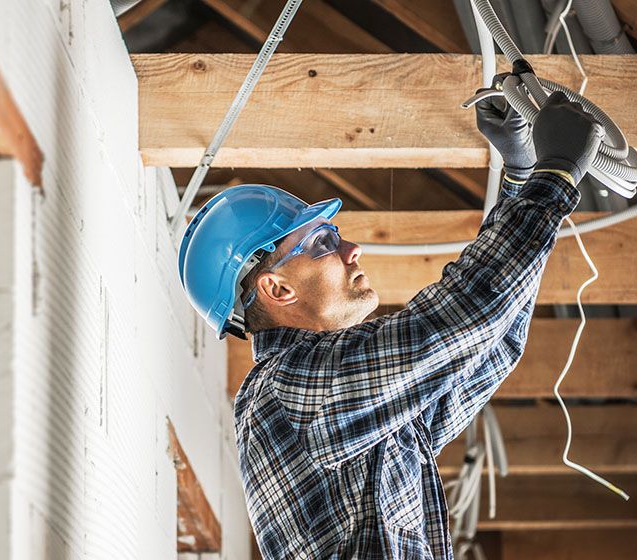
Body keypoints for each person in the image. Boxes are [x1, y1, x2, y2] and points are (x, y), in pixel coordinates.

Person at [176, 85, 605, 559]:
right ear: (277, 289)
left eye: (334, 235)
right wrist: (552, 175)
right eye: (321, 243)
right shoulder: (286, 392)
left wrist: (522, 181)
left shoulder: (348, 407)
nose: (350, 249)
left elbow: (490, 344)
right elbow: (463, 320)